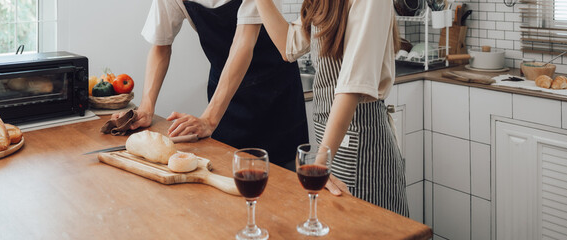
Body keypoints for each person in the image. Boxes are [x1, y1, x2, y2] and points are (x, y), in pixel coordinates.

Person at [113, 0, 309, 170]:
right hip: (226, 99)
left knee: (284, 184)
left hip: (274, 94)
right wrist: (146, 108)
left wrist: (209, 119)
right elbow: (161, 45)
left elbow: (244, 43)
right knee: (225, 171)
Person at [253, 0, 408, 215]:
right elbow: (287, 45)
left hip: (363, 148)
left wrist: (318, 166)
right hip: (330, 145)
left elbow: (352, 88)